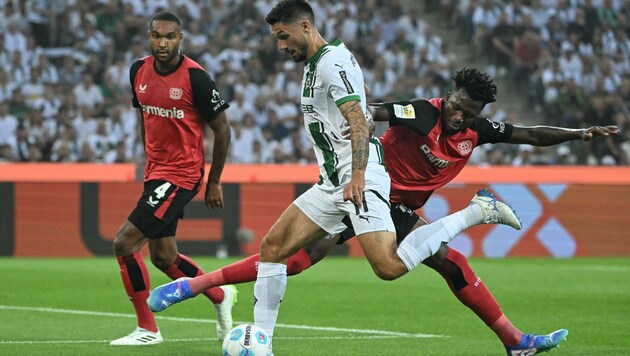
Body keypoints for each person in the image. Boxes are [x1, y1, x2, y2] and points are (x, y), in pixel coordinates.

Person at [147, 2, 524, 353]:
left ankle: (476, 212)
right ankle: (262, 341)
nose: (279, 45)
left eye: (283, 36)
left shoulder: (332, 62)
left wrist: (358, 175)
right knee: (274, 248)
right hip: (332, 181)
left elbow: (360, 120)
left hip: (360, 177)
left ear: (305, 26)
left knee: (389, 267)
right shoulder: (316, 65)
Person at [109, 11, 236, 346]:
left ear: (181, 39)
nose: (162, 43)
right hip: (157, 172)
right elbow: (145, 117)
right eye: (156, 36)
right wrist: (147, 160)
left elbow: (222, 130)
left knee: (124, 243)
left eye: (169, 37)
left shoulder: (196, 78)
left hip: (182, 173)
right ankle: (220, 294)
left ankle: (148, 329)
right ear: (149, 37)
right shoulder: (138, 70)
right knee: (164, 257)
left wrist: (214, 181)